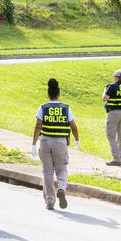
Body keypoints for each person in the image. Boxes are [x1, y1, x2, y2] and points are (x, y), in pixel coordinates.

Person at [31, 79, 80, 210]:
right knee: (62, 169)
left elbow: (38, 126)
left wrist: (33, 144)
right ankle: (61, 189)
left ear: (48, 94)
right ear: (59, 94)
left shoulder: (43, 108)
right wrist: (76, 140)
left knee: (47, 172)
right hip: (61, 142)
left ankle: (50, 201)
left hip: (45, 141)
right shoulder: (66, 108)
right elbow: (74, 127)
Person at [103, 69, 121, 166]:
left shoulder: (112, 86)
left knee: (110, 136)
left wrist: (105, 89)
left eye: (114, 76)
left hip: (114, 113)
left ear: (118, 78)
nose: (113, 78)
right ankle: (120, 158)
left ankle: (116, 159)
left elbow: (104, 99)